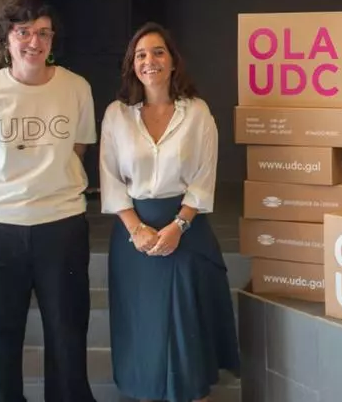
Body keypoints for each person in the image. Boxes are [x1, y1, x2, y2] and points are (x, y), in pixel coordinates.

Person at [0, 0, 98, 401]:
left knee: (68, 333)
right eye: (23, 32)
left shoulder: (76, 88)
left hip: (61, 225)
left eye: (43, 33)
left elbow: (78, 149)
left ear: (52, 39)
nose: (34, 41)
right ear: (7, 38)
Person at [99, 22, 240, 402]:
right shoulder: (116, 115)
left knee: (184, 324)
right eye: (141, 54)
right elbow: (110, 179)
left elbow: (204, 176)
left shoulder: (196, 112)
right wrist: (136, 229)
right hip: (133, 236)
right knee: (143, 323)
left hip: (186, 230)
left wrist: (178, 225)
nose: (150, 60)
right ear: (132, 65)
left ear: (173, 61)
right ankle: (145, 389)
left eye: (158, 52)